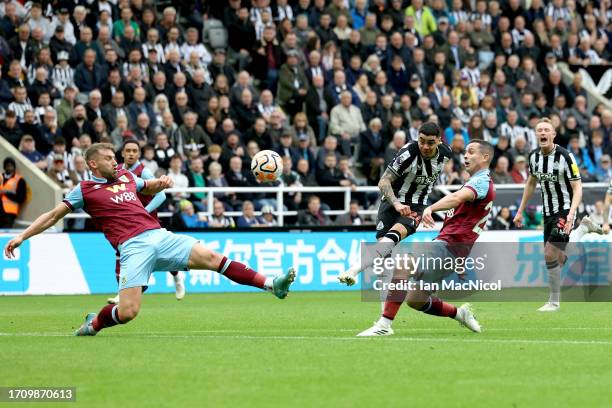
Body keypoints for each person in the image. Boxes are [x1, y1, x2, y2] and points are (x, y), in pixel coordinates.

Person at [3, 143, 296, 336]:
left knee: (211, 258)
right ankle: (93, 324)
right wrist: (22, 237)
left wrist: (163, 182)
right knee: (128, 312)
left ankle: (273, 285)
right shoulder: (85, 189)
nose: (115, 161)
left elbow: (149, 185)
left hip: (159, 235)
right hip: (132, 248)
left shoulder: (127, 179)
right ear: (93, 164)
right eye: (108, 159)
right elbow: (53, 216)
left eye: (115, 157)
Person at [355, 139, 496, 337]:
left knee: (404, 265)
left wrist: (430, 207)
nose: (465, 155)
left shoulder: (481, 182)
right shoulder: (479, 182)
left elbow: (456, 198)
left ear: (485, 157)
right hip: (453, 248)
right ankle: (459, 314)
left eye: (471, 152)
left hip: (449, 246)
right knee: (416, 299)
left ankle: (384, 326)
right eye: (465, 152)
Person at [338, 122, 452, 286]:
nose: (425, 146)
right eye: (421, 141)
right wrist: (397, 204)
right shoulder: (408, 153)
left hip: (416, 206)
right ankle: (387, 308)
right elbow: (383, 182)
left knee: (392, 237)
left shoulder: (445, 154)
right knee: (384, 254)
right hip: (391, 202)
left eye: (430, 142)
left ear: (439, 141)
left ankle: (353, 270)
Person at [513, 118, 601, 312]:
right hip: (547, 212)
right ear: (536, 135)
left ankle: (554, 302)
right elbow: (531, 183)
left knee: (549, 253)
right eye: (539, 130)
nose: (543, 133)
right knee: (558, 259)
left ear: (553, 134)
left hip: (565, 209)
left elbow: (577, 187)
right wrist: (520, 210)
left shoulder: (565, 156)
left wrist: (571, 214)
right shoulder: (534, 157)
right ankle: (584, 228)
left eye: (546, 130)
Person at [106, 139, 185, 305]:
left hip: (147, 222)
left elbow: (161, 195)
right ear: (122, 153)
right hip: (126, 223)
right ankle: (122, 292)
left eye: (134, 151)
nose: (131, 154)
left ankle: (177, 277)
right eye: (128, 151)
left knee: (162, 254)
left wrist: (143, 212)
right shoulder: (117, 171)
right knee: (122, 254)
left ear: (139, 154)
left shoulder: (145, 172)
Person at [0, 158, 28, 228]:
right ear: (4, 167)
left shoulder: (20, 180)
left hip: (10, 212)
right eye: (7, 166)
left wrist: (5, 193)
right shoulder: (1, 177)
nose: (9, 168)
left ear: (14, 167)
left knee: (5, 231)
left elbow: (21, 198)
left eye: (11, 166)